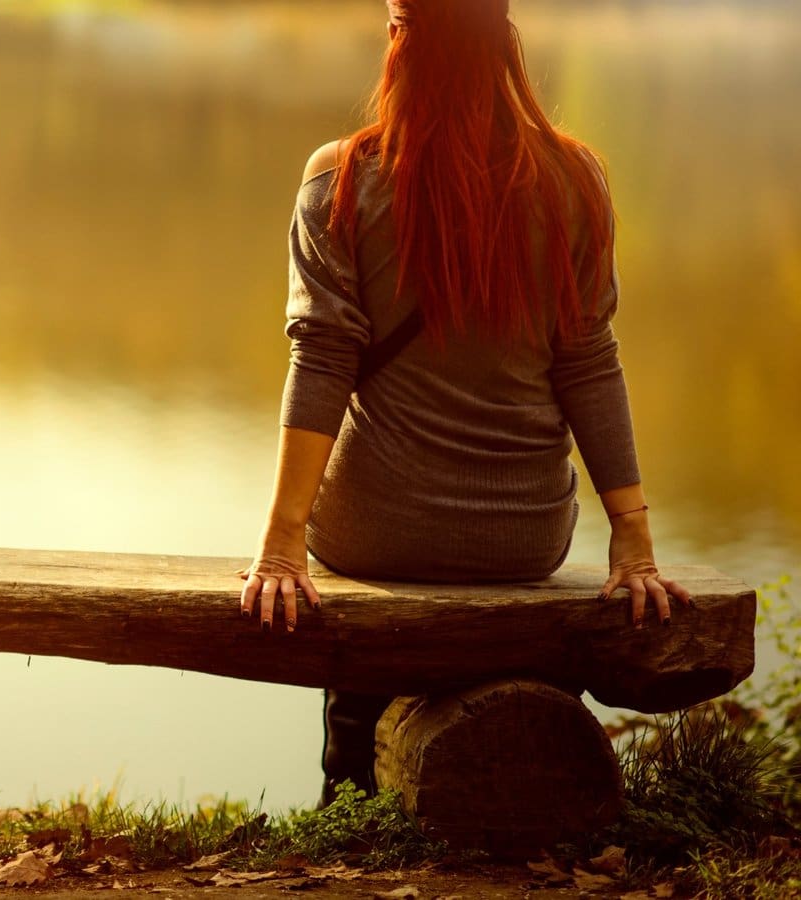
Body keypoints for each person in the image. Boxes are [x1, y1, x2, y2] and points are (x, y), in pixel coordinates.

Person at [235, 0, 694, 809]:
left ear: (400, 41)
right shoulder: (574, 182)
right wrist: (634, 539)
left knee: (359, 677)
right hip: (523, 539)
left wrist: (281, 546)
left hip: (376, 536)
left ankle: (351, 789)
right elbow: (590, 364)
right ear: (505, 42)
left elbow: (323, 361)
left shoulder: (341, 179)